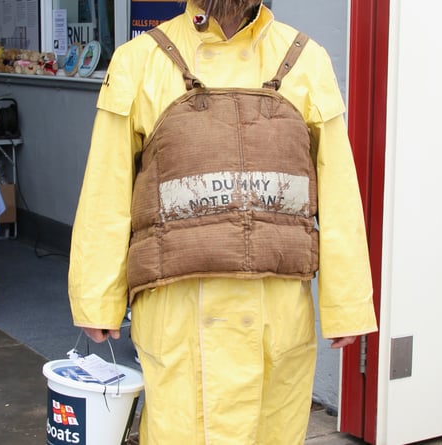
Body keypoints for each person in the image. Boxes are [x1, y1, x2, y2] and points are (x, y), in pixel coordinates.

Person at [68, 1, 378, 444]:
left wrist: (346, 303)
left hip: (276, 313)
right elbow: (107, 187)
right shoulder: (141, 59)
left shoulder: (306, 58)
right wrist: (97, 297)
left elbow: (338, 190)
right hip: (178, 313)